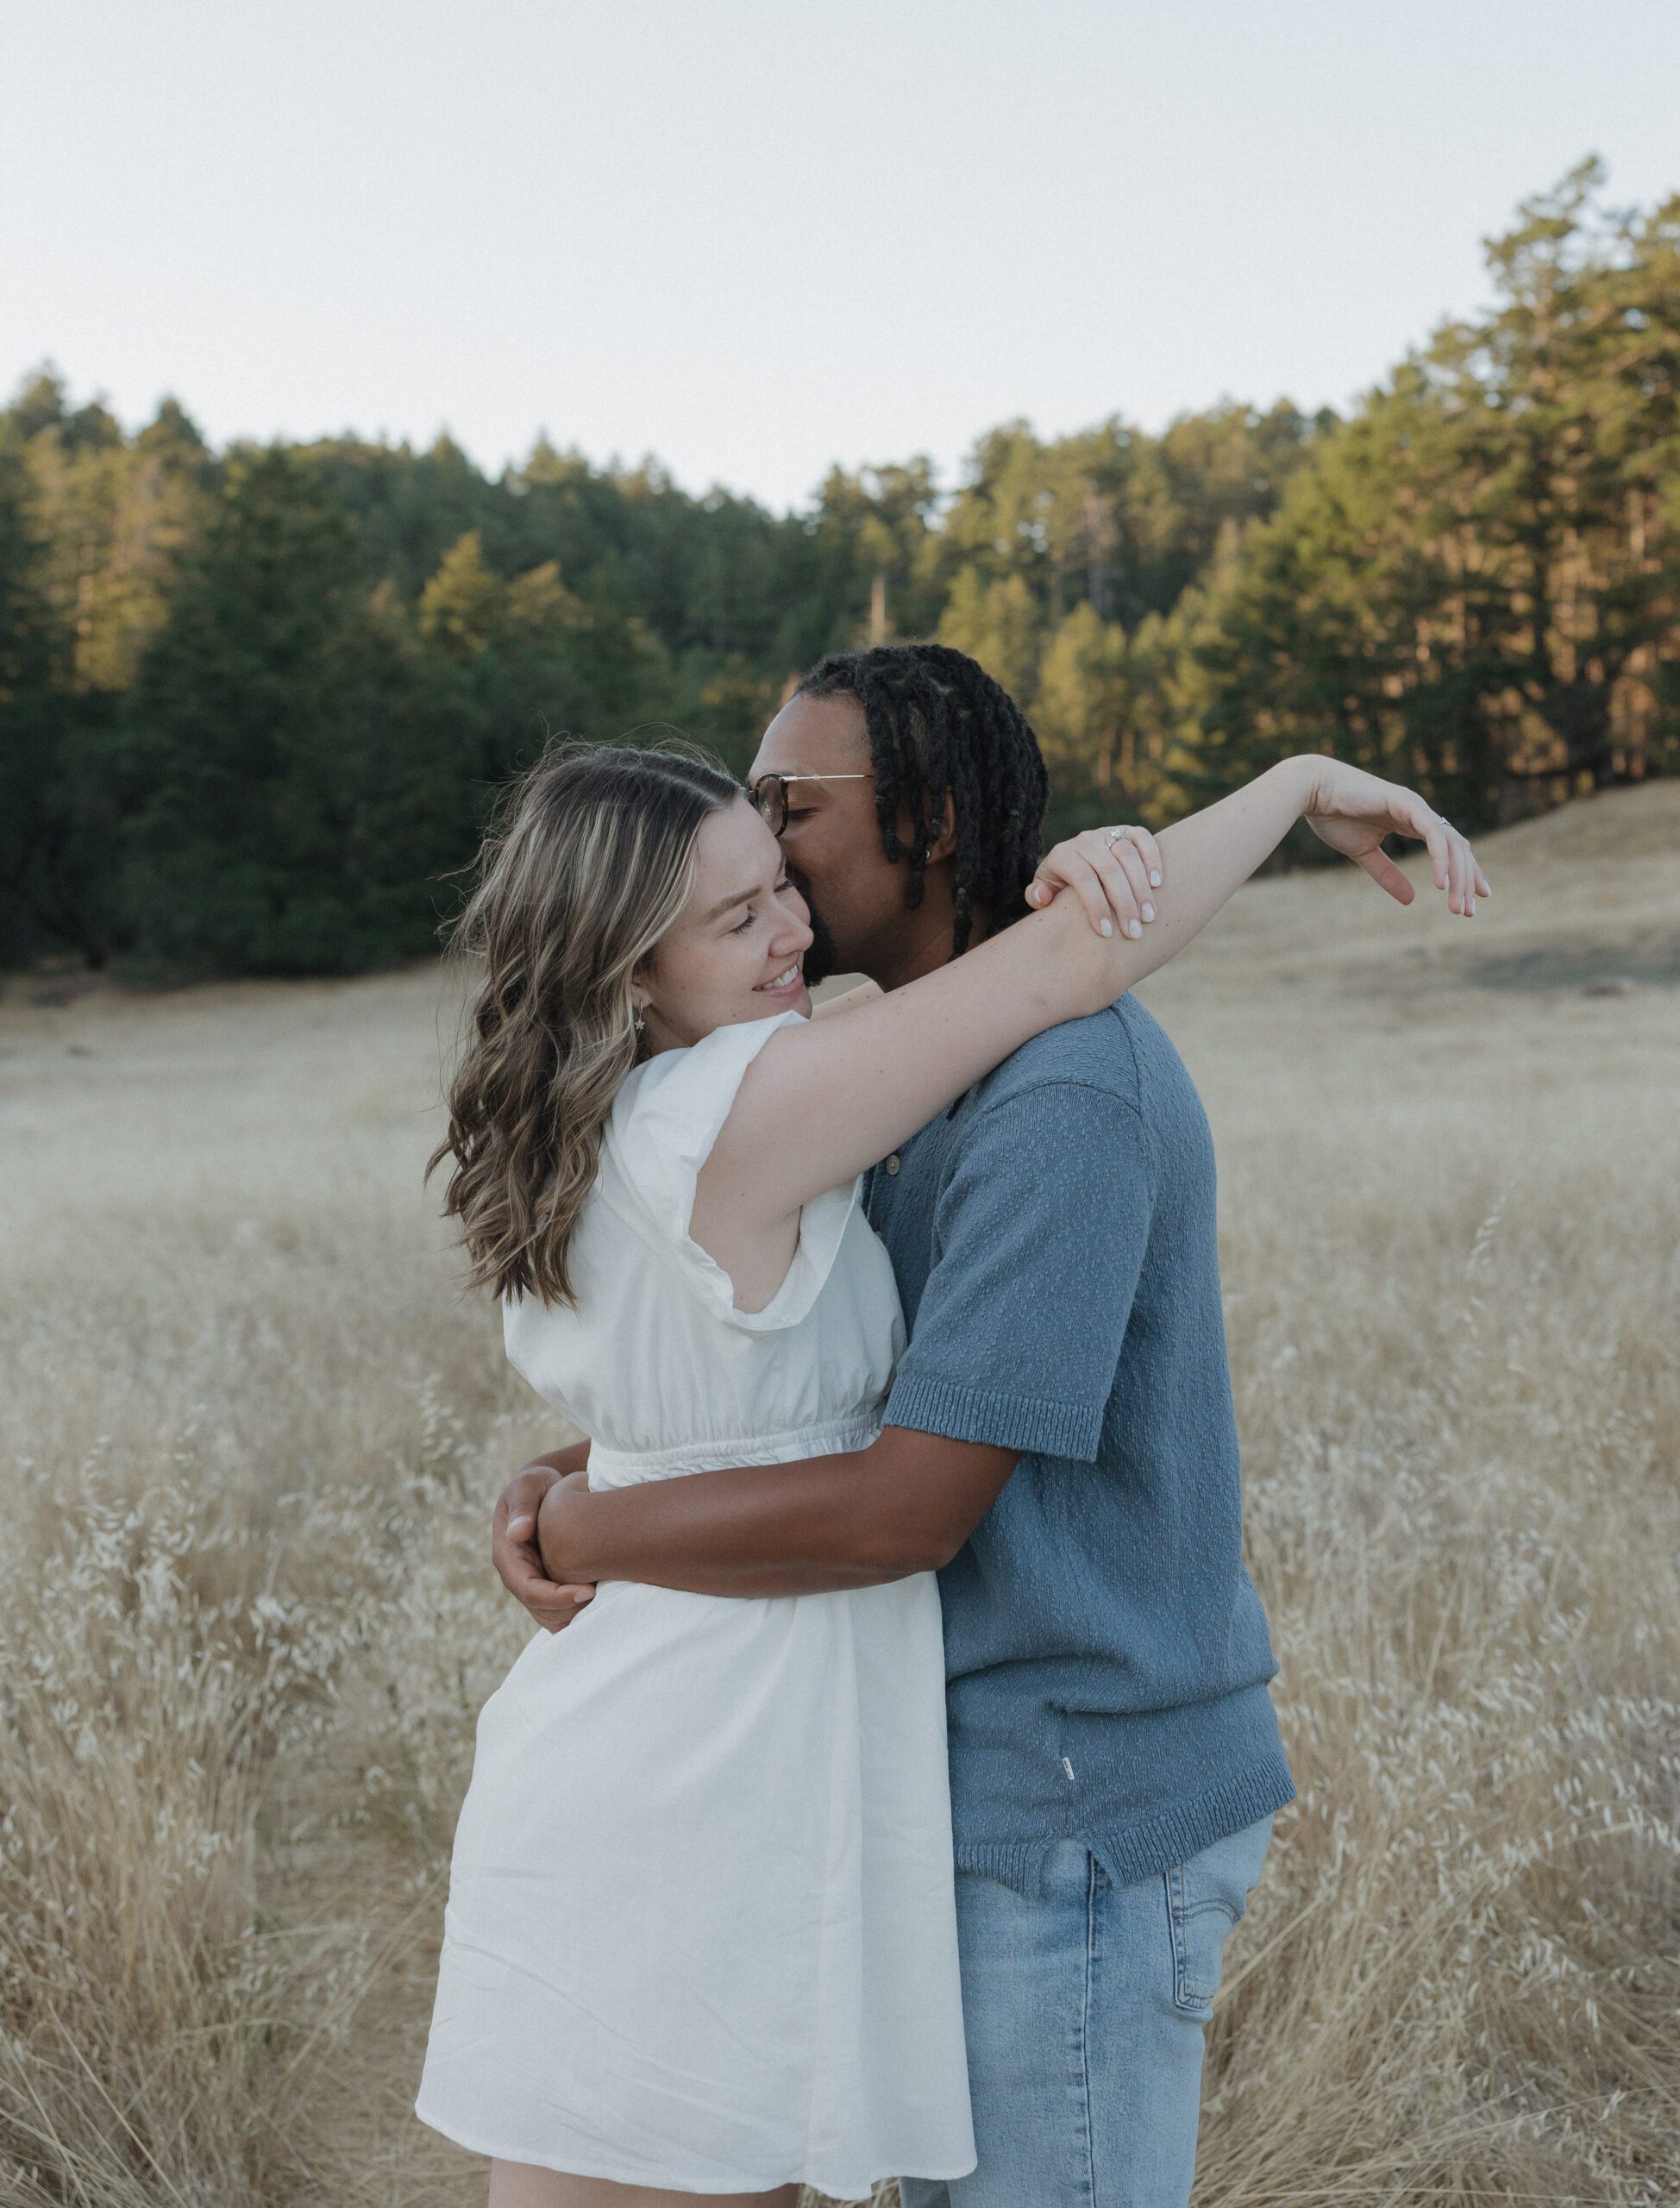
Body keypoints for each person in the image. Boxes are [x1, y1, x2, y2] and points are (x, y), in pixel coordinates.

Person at [488, 646, 1489, 2208]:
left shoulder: (1050, 1094)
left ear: (935, 820)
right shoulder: (845, 1086)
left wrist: (594, 1519)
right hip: (884, 1780)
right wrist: (600, 1470)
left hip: (1066, 1811)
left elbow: (902, 1504)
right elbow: (773, 1384)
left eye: (792, 816)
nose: (780, 876)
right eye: (737, 877)